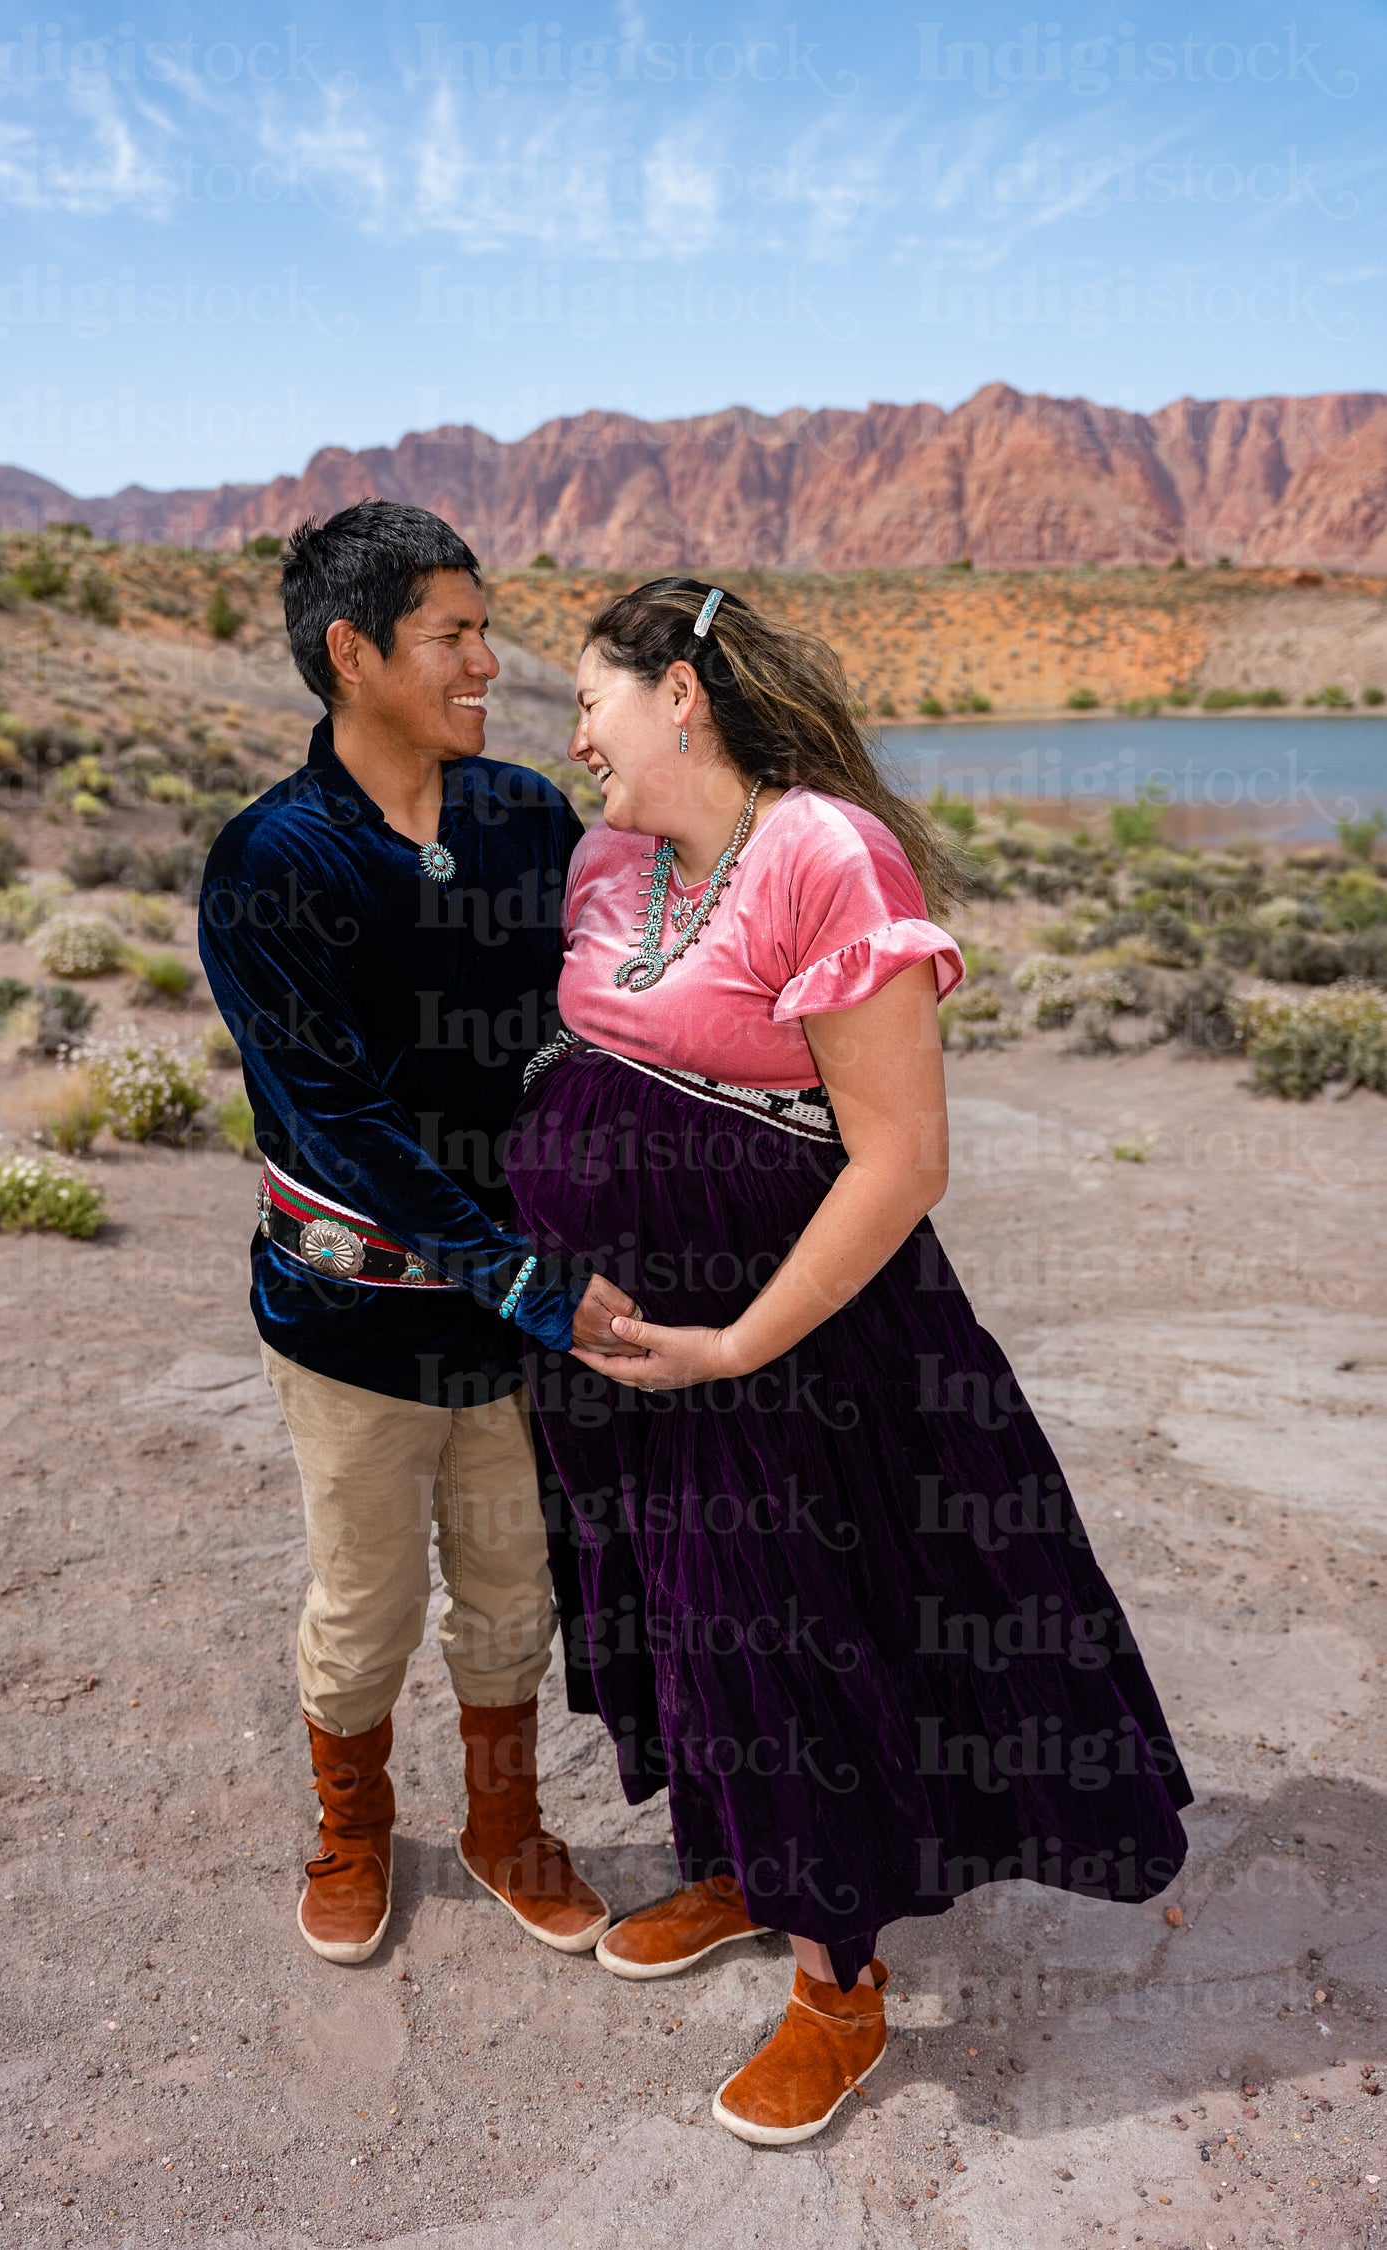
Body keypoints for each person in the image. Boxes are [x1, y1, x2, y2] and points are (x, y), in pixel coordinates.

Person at [505, 578, 1192, 2146]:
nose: (575, 732)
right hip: (619, 1345)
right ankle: (747, 1870)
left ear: (679, 692)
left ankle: (839, 1981)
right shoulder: (609, 859)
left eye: (593, 697)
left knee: (789, 1633)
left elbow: (900, 1158)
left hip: (784, 1343)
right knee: (676, 1612)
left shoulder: (824, 852)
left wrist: (736, 1339)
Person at [198, 500, 638, 1970]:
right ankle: (353, 1828)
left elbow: (616, 997)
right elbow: (336, 1122)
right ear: (353, 651)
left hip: (513, 1322)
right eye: (454, 631)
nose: (487, 658)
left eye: (483, 626)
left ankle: (509, 1828)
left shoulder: (523, 815)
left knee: (515, 1589)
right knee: (367, 1598)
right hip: (355, 1321)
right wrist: (521, 1272)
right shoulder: (270, 862)